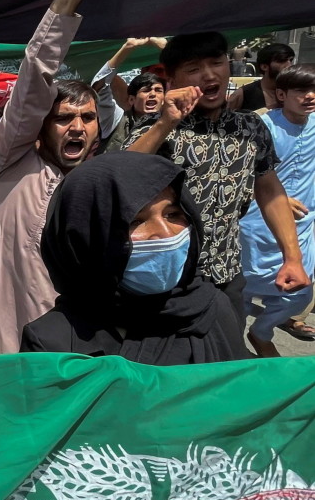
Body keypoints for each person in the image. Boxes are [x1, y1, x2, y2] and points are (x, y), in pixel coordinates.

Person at [123, 33, 309, 330]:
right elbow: (122, 175)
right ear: (171, 78)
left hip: (227, 274)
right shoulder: (155, 126)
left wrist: (292, 257)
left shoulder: (251, 127)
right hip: (166, 277)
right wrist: (165, 123)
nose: (209, 74)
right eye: (194, 68)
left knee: (225, 361)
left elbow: (270, 190)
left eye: (217, 62)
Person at [0, 0, 102, 357]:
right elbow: (32, 85)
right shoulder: (12, 163)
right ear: (40, 127)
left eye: (87, 117)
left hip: (69, 349)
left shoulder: (98, 186)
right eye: (65, 117)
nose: (76, 126)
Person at [21, 153, 249, 364]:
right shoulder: (53, 343)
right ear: (88, 238)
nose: (165, 233)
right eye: (136, 221)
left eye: (173, 215)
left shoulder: (212, 309)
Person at [240, 64, 315, 356]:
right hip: (256, 224)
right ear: (281, 94)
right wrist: (281, 200)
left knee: (298, 294)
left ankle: (260, 333)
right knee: (242, 293)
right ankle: (232, 349)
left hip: (304, 226)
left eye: (313, 90)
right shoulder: (261, 126)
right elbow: (241, 171)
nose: (309, 96)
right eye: (300, 90)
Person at [88, 37, 168, 153]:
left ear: (164, 99)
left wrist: (167, 48)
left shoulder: (172, 121)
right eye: (146, 90)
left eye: (158, 90)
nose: (152, 94)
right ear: (131, 99)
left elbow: (191, 81)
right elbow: (99, 89)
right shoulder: (116, 120)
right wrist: (128, 47)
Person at [228, 43, 296, 112]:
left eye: (290, 60)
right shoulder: (243, 95)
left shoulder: (295, 92)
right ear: (264, 67)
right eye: (281, 61)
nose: (289, 65)